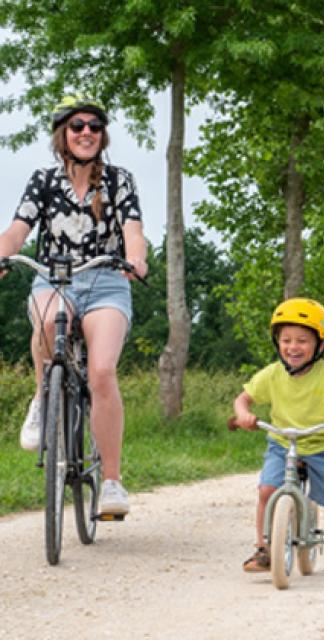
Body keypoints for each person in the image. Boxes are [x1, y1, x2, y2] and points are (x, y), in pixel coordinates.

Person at [0, 94, 148, 516]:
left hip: (106, 281)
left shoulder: (119, 181)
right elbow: (17, 229)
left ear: (103, 135)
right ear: (63, 135)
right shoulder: (43, 181)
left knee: (101, 371)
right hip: (55, 277)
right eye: (78, 126)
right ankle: (41, 398)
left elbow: (134, 229)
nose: (87, 132)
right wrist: (2, 253)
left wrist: (136, 258)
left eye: (95, 126)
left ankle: (113, 482)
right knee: (48, 324)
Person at [233, 297, 324, 575]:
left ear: (321, 345)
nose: (293, 347)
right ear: (277, 343)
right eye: (286, 340)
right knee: (267, 490)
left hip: (321, 445)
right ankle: (264, 548)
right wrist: (243, 414)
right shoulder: (272, 374)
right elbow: (242, 399)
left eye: (302, 340)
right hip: (282, 443)